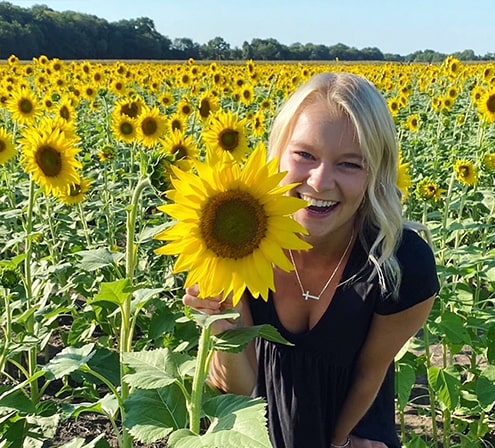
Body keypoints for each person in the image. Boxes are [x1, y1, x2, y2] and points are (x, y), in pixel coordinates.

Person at [183, 72, 440, 448]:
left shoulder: (401, 264)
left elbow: (371, 373)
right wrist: (221, 325)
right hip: (257, 427)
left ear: (377, 172)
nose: (320, 182)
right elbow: (239, 388)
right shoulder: (235, 239)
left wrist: (340, 442)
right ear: (278, 152)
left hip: (351, 427)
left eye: (350, 164)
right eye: (304, 155)